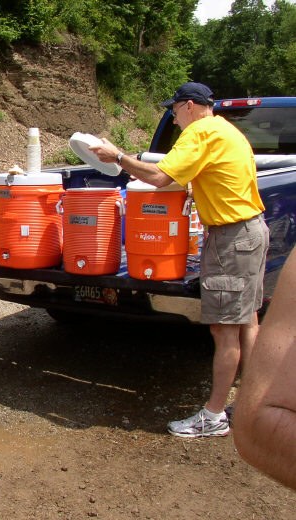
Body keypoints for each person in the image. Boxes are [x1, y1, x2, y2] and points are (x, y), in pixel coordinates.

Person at [90, 82, 269, 438]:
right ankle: (255, 404)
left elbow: (158, 177)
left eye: (174, 109)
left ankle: (214, 415)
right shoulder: (224, 130)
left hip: (232, 239)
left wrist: (119, 157)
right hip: (250, 231)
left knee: (224, 328)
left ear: (190, 106)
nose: (172, 115)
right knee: (247, 319)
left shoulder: (199, 133)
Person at [233, 248, 296, 490]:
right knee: (238, 322)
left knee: (234, 326)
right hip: (232, 237)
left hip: (236, 236)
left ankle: (218, 409)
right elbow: (258, 424)